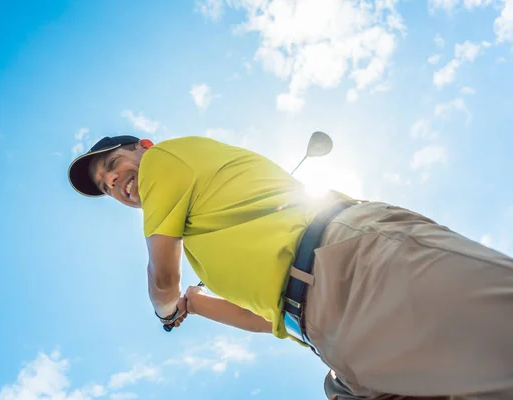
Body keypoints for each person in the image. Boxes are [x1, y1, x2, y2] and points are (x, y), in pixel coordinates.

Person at [68, 134, 513, 400]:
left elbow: (162, 280)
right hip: (327, 332)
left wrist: (167, 311)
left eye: (112, 164)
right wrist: (197, 307)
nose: (111, 181)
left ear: (143, 147)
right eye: (105, 186)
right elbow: (269, 319)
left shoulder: (165, 158)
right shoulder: (201, 240)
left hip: (359, 262)